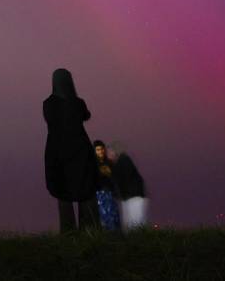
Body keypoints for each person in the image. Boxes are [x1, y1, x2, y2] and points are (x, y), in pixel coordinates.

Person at [43, 69, 99, 232]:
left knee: (63, 193)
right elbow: (86, 115)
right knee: (85, 191)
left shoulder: (48, 104)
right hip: (80, 151)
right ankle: (88, 232)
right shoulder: (77, 103)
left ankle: (68, 233)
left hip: (57, 152)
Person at [107, 141, 148, 231]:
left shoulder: (123, 161)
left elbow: (122, 179)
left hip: (133, 197)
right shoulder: (122, 161)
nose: (108, 154)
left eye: (109, 151)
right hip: (130, 197)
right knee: (130, 225)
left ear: (115, 151)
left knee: (135, 225)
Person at [92, 141, 121, 231]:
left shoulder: (110, 163)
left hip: (110, 194)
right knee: (102, 218)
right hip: (99, 194)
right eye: (98, 150)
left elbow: (115, 178)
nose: (100, 151)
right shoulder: (93, 164)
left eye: (102, 149)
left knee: (113, 217)